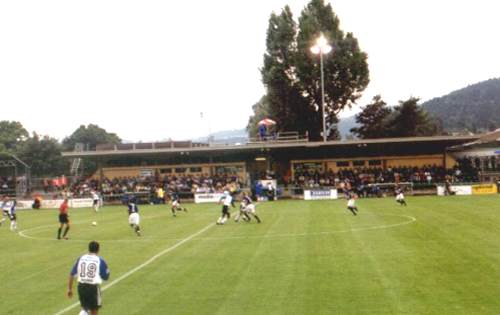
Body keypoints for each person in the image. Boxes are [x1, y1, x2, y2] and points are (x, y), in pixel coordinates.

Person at [68, 241, 110, 315]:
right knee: (94, 310)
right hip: (93, 288)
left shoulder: (81, 258)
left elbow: (72, 274)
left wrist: (70, 289)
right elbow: (106, 277)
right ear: (98, 250)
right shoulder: (99, 260)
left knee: (85, 308)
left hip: (81, 287)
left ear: (89, 249)